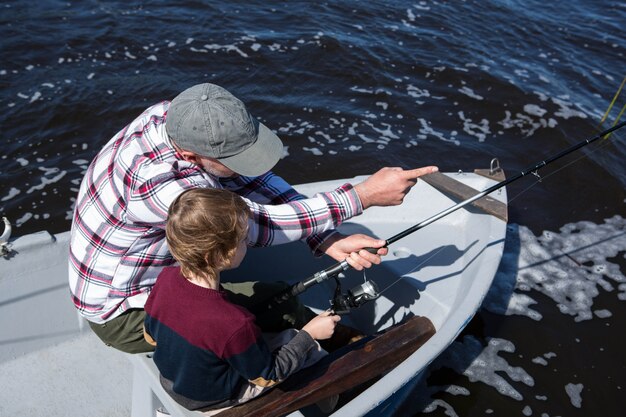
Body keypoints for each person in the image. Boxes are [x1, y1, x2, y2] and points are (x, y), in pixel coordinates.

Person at [68, 82, 438, 353]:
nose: (241, 165)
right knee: (250, 320)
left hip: (149, 276)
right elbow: (250, 226)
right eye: (231, 159)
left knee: (274, 298)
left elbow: (246, 176)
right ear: (191, 156)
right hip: (125, 310)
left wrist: (323, 237)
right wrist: (362, 196)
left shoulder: (176, 117)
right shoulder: (161, 185)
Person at [143, 188, 339, 413]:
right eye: (243, 239)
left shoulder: (165, 279)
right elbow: (268, 375)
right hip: (214, 399)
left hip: (171, 383)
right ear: (217, 255)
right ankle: (338, 405)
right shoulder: (234, 322)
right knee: (307, 347)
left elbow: (151, 336)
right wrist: (309, 334)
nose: (247, 243)